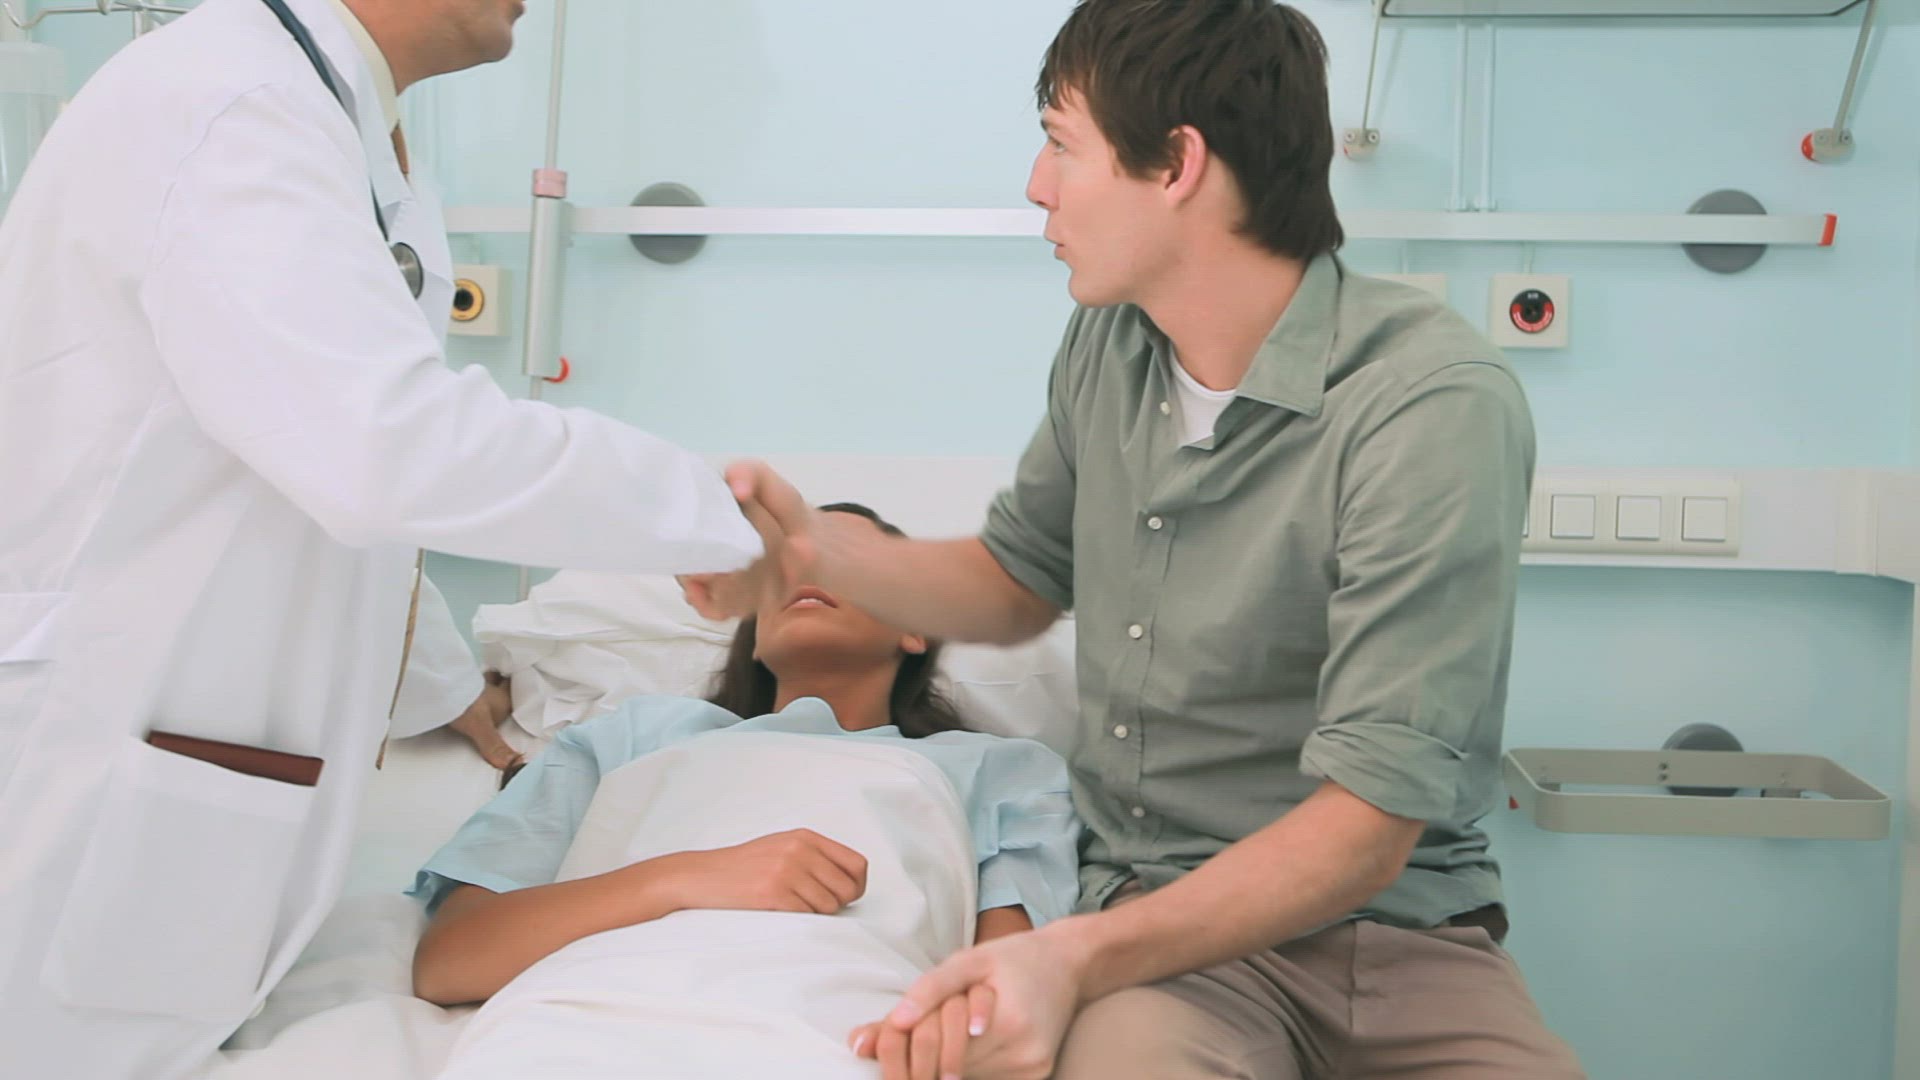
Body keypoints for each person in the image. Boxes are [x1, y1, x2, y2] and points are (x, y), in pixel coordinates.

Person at [684, 2, 1586, 1077]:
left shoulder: (1428, 403)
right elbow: (1016, 581)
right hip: (1164, 946)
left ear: (1177, 165)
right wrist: (806, 551)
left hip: (1399, 946)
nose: (1037, 184)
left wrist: (1069, 957)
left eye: (1062, 145)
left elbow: (1367, 823)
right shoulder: (1107, 343)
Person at [0, 1, 760, 1077]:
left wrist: (439, 682)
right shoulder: (237, 104)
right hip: (99, 747)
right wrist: (712, 518)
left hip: (186, 765)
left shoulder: (331, 115)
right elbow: (381, 449)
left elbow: (318, 465)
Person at [410, 503, 1080, 1080]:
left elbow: (997, 999)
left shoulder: (1002, 771)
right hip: (576, 1022)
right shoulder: (624, 737)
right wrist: (684, 877)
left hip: (838, 1029)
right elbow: (450, 960)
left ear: (915, 626)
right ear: (754, 636)